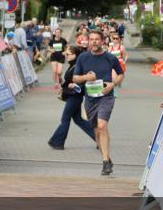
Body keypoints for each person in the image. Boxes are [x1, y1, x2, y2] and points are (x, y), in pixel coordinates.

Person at [72, 30, 124, 176]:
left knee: (102, 126)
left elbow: (121, 74)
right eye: (91, 39)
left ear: (102, 41)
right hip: (90, 99)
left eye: (97, 39)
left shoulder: (110, 58)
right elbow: (75, 78)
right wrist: (86, 77)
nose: (94, 42)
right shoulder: (83, 57)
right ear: (88, 41)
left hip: (106, 97)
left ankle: (105, 162)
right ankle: (106, 158)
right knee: (96, 131)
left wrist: (113, 85)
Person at [47, 45, 95, 149]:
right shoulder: (73, 65)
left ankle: (57, 142)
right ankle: (99, 137)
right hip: (72, 96)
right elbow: (68, 80)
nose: (66, 56)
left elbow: (83, 80)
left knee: (65, 119)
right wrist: (62, 80)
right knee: (78, 119)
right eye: (66, 54)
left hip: (75, 96)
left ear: (75, 55)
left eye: (68, 54)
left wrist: (74, 85)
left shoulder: (78, 66)